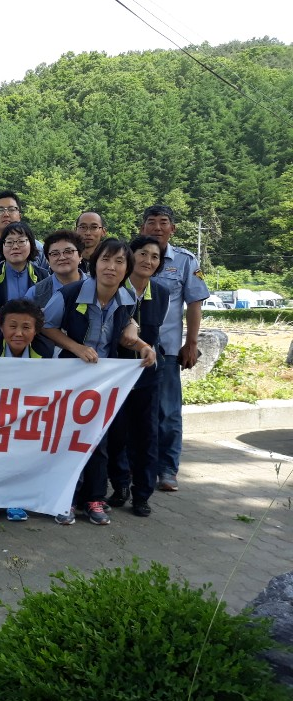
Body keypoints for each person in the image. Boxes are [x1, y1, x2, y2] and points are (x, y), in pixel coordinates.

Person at [42, 238, 157, 526]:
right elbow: (45, 326)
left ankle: (94, 498)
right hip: (69, 379)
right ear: (94, 264)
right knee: (68, 439)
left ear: (127, 268)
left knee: (98, 439)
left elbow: (125, 330)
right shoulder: (70, 293)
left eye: (119, 262)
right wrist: (77, 348)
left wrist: (143, 346)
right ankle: (65, 499)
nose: (111, 267)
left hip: (104, 383)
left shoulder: (126, 298)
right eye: (106, 259)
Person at [140, 204, 209, 492]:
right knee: (136, 411)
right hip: (132, 349)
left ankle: (167, 469)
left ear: (173, 228)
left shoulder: (185, 260)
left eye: (163, 222)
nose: (157, 227)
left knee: (168, 412)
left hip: (167, 349)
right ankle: (135, 466)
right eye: (151, 222)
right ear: (142, 228)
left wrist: (191, 343)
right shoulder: (132, 255)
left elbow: (194, 304)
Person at [0, 298, 54, 523]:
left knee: (21, 454)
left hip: (27, 413)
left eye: (26, 327)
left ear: (36, 330)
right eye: (12, 326)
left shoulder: (48, 350)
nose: (18, 333)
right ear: (1, 326)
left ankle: (16, 498)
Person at [106, 235, 170, 518]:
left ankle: (142, 494)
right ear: (130, 257)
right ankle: (120, 485)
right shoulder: (115, 288)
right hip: (116, 373)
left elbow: (155, 334)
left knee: (146, 436)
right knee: (116, 434)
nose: (148, 261)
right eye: (142, 254)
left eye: (155, 256)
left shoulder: (162, 293)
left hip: (147, 375)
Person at [0, 223, 49, 309]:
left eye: (21, 241)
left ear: (31, 244)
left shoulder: (43, 276)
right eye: (9, 242)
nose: (15, 247)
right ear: (1, 246)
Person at [26, 230, 86, 307]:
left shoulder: (95, 285)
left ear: (80, 255)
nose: (62, 258)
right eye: (55, 254)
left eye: (68, 252)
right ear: (48, 260)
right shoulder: (35, 293)